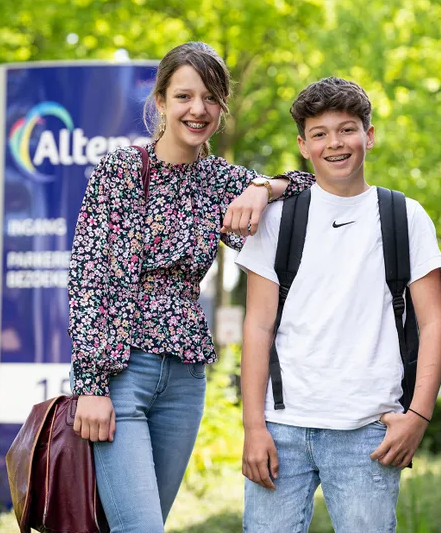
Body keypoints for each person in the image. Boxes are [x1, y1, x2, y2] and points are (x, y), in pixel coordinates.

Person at [67, 41, 314, 532]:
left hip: (185, 378)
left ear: (222, 106)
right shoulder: (120, 171)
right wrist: (90, 385)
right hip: (120, 375)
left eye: (210, 97)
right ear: (160, 101)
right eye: (183, 96)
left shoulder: (223, 180)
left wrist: (263, 187)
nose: (197, 109)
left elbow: (311, 186)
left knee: (146, 522)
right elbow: (88, 276)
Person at [236, 77, 441, 532]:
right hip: (282, 429)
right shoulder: (277, 220)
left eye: (347, 129)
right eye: (320, 133)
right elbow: (257, 326)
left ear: (369, 136)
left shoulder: (404, 216)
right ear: (303, 146)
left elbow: (433, 322)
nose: (335, 143)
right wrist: (254, 427)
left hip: (370, 429)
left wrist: (418, 416)